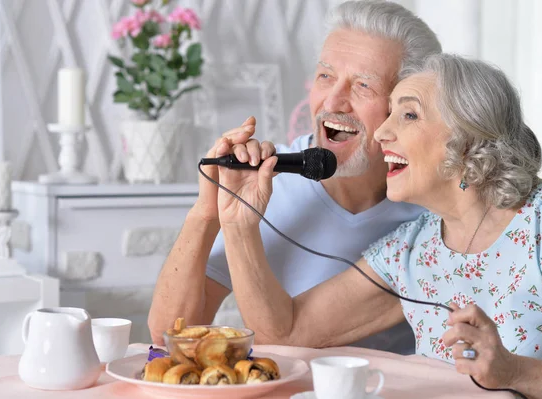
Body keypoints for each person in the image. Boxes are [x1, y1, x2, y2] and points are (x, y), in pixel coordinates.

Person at [215, 52, 542, 397]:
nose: (380, 132)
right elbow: (283, 333)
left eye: (409, 114)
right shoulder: (410, 249)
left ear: (469, 139)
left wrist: (514, 371)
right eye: (390, 113)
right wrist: (238, 221)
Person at [148, 0, 441, 354]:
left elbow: (288, 334)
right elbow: (168, 336)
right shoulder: (268, 182)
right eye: (325, 76)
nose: (333, 101)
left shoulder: (432, 210)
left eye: (363, 85)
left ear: (407, 109)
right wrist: (207, 212)